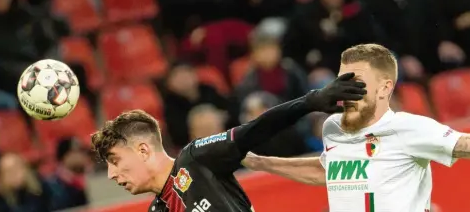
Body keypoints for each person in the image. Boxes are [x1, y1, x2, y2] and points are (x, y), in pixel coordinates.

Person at [241, 43, 470, 212]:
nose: (345, 91)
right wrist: (259, 162)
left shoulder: (409, 127)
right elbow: (328, 171)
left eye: (357, 84)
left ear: (384, 88)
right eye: (342, 81)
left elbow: (463, 145)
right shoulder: (333, 128)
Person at [91, 73, 367, 212]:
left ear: (142, 150)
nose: (112, 174)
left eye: (115, 161)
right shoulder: (158, 209)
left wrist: (311, 101)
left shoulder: (196, 159)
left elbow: (254, 129)